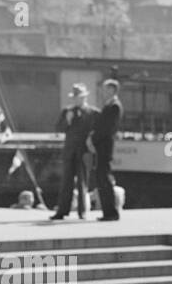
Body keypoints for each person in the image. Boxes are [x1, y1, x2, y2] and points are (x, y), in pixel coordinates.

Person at [50, 84, 96, 219]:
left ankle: (82, 211)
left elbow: (96, 130)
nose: (76, 100)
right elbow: (58, 128)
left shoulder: (92, 112)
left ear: (84, 97)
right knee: (66, 182)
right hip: (70, 150)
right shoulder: (67, 111)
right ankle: (62, 210)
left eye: (79, 97)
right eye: (75, 97)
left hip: (84, 151)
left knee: (82, 182)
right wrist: (67, 121)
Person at [90, 79, 123, 220]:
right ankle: (108, 211)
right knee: (101, 178)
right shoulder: (109, 105)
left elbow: (106, 128)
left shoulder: (114, 106)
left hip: (104, 146)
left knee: (104, 179)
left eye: (105, 89)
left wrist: (93, 139)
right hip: (102, 146)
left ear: (112, 90)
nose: (103, 92)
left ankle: (111, 212)